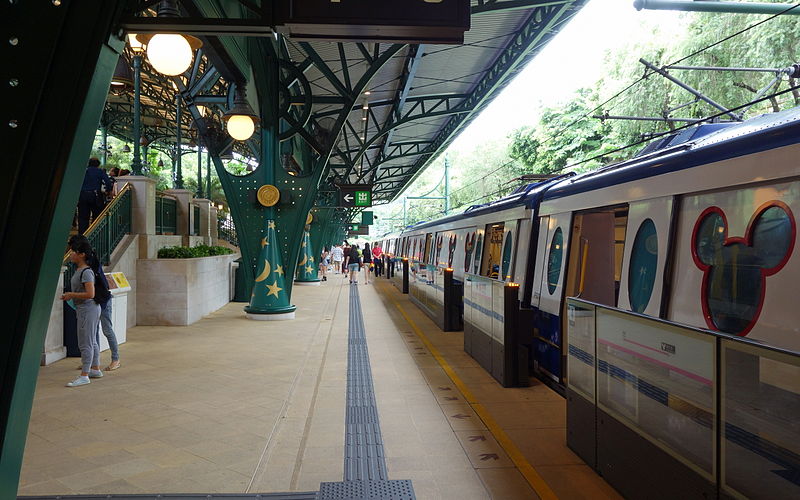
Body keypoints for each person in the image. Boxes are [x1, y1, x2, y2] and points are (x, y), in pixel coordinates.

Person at [69, 235, 121, 371]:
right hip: (95, 302)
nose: (70, 252)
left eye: (73, 249)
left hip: (102, 300)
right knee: (93, 332)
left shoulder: (90, 264)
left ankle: (115, 359)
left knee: (107, 329)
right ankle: (92, 362)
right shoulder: (85, 263)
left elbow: (95, 287)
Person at [61, 239, 103, 387]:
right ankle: (95, 368)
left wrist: (71, 294)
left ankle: (85, 374)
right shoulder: (81, 270)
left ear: (82, 254)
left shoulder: (86, 272)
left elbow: (90, 294)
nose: (71, 254)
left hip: (88, 309)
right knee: (91, 341)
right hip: (87, 309)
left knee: (85, 343)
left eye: (73, 252)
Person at [77, 158, 114, 234]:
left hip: (82, 195)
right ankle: (95, 234)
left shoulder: (83, 171)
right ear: (98, 165)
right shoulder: (99, 171)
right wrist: (108, 191)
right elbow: (107, 181)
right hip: (95, 195)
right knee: (96, 216)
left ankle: (82, 235)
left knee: (83, 217)